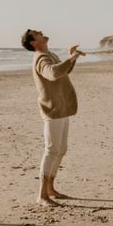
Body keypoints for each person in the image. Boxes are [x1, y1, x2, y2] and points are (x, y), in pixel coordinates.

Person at [21, 29, 85, 207]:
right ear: (33, 42)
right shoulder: (41, 57)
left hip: (61, 108)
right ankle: (41, 195)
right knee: (51, 150)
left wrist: (72, 57)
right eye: (37, 33)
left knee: (61, 149)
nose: (41, 32)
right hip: (52, 109)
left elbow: (62, 71)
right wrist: (70, 58)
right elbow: (53, 73)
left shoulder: (48, 54)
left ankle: (50, 188)